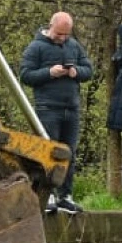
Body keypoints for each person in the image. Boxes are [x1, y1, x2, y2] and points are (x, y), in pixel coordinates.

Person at [19, 11, 93, 214]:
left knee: (69, 152)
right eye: (59, 34)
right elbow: (25, 75)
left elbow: (89, 70)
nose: (62, 38)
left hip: (72, 108)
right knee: (48, 153)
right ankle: (46, 195)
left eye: (66, 35)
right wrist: (49, 73)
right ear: (51, 26)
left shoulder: (74, 46)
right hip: (47, 108)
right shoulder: (36, 47)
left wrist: (75, 72)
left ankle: (65, 195)